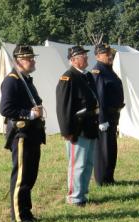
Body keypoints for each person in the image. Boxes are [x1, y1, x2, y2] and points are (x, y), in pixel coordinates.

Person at [0, 45, 45, 222]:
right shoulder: (12, 80)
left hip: (32, 133)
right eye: (29, 58)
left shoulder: (26, 80)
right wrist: (30, 114)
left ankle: (26, 212)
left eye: (33, 58)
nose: (33, 61)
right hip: (21, 134)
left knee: (30, 176)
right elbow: (5, 109)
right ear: (18, 61)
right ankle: (19, 215)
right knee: (21, 176)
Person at [56, 46, 99, 206]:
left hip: (89, 126)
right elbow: (63, 108)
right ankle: (74, 198)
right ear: (73, 60)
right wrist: (67, 131)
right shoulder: (68, 78)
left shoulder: (86, 76)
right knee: (77, 165)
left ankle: (83, 194)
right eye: (82, 56)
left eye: (85, 56)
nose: (86, 58)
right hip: (77, 129)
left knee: (88, 163)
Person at [91, 43, 125, 186]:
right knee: (103, 149)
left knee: (111, 148)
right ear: (98, 56)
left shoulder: (108, 70)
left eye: (111, 53)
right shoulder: (98, 71)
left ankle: (109, 177)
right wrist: (102, 119)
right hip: (105, 116)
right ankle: (102, 179)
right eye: (107, 54)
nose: (110, 56)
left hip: (113, 115)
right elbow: (100, 97)